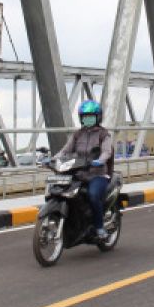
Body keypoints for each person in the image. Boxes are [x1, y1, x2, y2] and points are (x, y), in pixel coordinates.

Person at [53, 99, 113, 240]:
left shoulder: (104, 134)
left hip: (98, 174)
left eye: (91, 116)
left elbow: (107, 151)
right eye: (85, 117)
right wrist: (53, 159)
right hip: (79, 173)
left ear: (98, 117)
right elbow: (65, 151)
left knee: (93, 196)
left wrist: (100, 160)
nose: (88, 119)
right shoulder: (77, 134)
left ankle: (99, 227)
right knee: (64, 192)